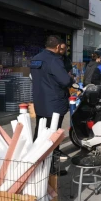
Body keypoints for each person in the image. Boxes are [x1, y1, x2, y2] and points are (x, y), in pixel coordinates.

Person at [30, 35, 73, 176]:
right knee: (53, 137)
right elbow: (65, 80)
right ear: (57, 47)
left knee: (40, 134)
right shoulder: (54, 60)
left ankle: (36, 165)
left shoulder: (36, 58)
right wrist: (71, 79)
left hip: (40, 102)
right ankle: (50, 169)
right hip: (54, 103)